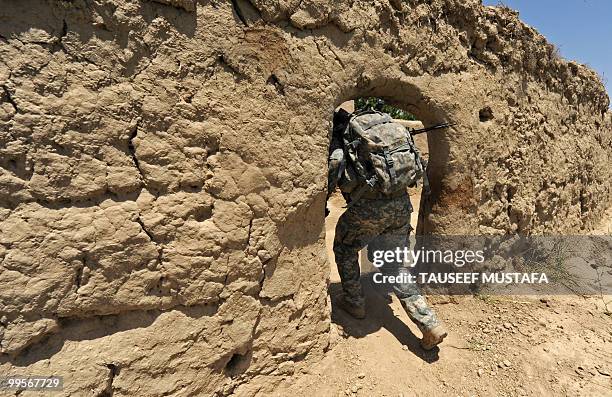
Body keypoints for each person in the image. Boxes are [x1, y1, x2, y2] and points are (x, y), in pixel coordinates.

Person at [327, 106, 447, 350]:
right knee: (394, 264)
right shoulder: (381, 126)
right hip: (401, 205)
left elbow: (336, 163)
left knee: (345, 247)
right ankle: (429, 323)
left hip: (368, 207)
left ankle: (355, 302)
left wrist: (322, 199)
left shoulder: (344, 135)